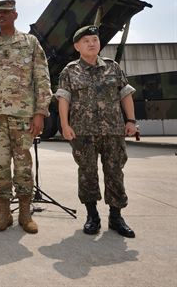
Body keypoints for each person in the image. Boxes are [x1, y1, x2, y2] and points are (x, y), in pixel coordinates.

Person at [0, 0, 52, 234]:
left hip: (22, 116)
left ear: (15, 15)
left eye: (6, 13)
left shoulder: (30, 43)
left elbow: (42, 78)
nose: (1, 16)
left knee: (23, 165)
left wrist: (40, 112)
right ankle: (4, 212)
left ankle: (25, 214)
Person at [55, 25, 137, 238]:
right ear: (77, 46)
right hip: (83, 133)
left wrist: (131, 121)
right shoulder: (70, 71)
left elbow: (125, 94)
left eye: (94, 39)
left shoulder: (113, 67)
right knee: (87, 174)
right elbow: (63, 99)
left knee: (115, 173)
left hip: (113, 131)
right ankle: (92, 216)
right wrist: (65, 125)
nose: (91, 43)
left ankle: (116, 217)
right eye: (86, 41)